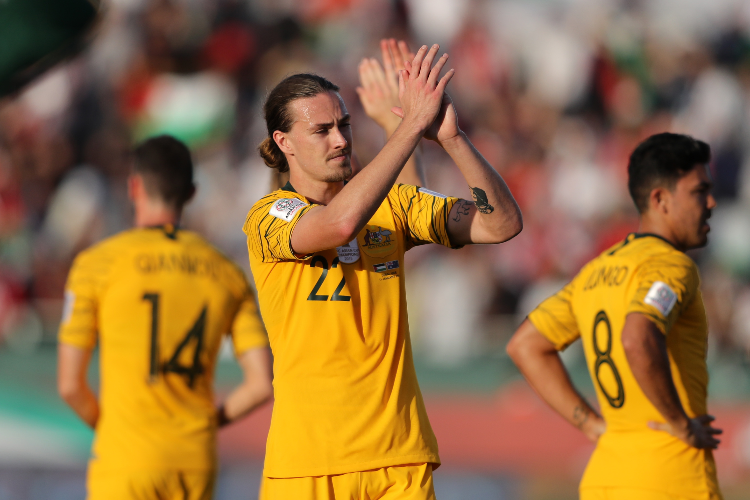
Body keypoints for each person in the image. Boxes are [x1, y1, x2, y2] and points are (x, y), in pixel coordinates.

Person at [243, 45, 522, 499]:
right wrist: (408, 124)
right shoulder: (268, 216)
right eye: (322, 130)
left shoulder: (394, 205)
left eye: (344, 125)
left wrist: (451, 137)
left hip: (400, 460)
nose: (340, 139)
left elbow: (503, 224)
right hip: (308, 465)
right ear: (284, 143)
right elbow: (338, 224)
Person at [507, 133, 722, 500]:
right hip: (671, 478)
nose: (711, 203)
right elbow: (637, 336)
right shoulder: (670, 266)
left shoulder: (596, 271)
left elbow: (526, 344)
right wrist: (680, 424)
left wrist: (591, 424)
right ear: (660, 200)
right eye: (699, 191)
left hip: (605, 478)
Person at [57, 135, 273, 500]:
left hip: (126, 459)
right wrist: (206, 423)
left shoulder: (97, 265)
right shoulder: (227, 273)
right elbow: (261, 385)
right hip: (193, 460)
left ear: (134, 186)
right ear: (191, 193)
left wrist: (111, 429)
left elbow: (70, 386)